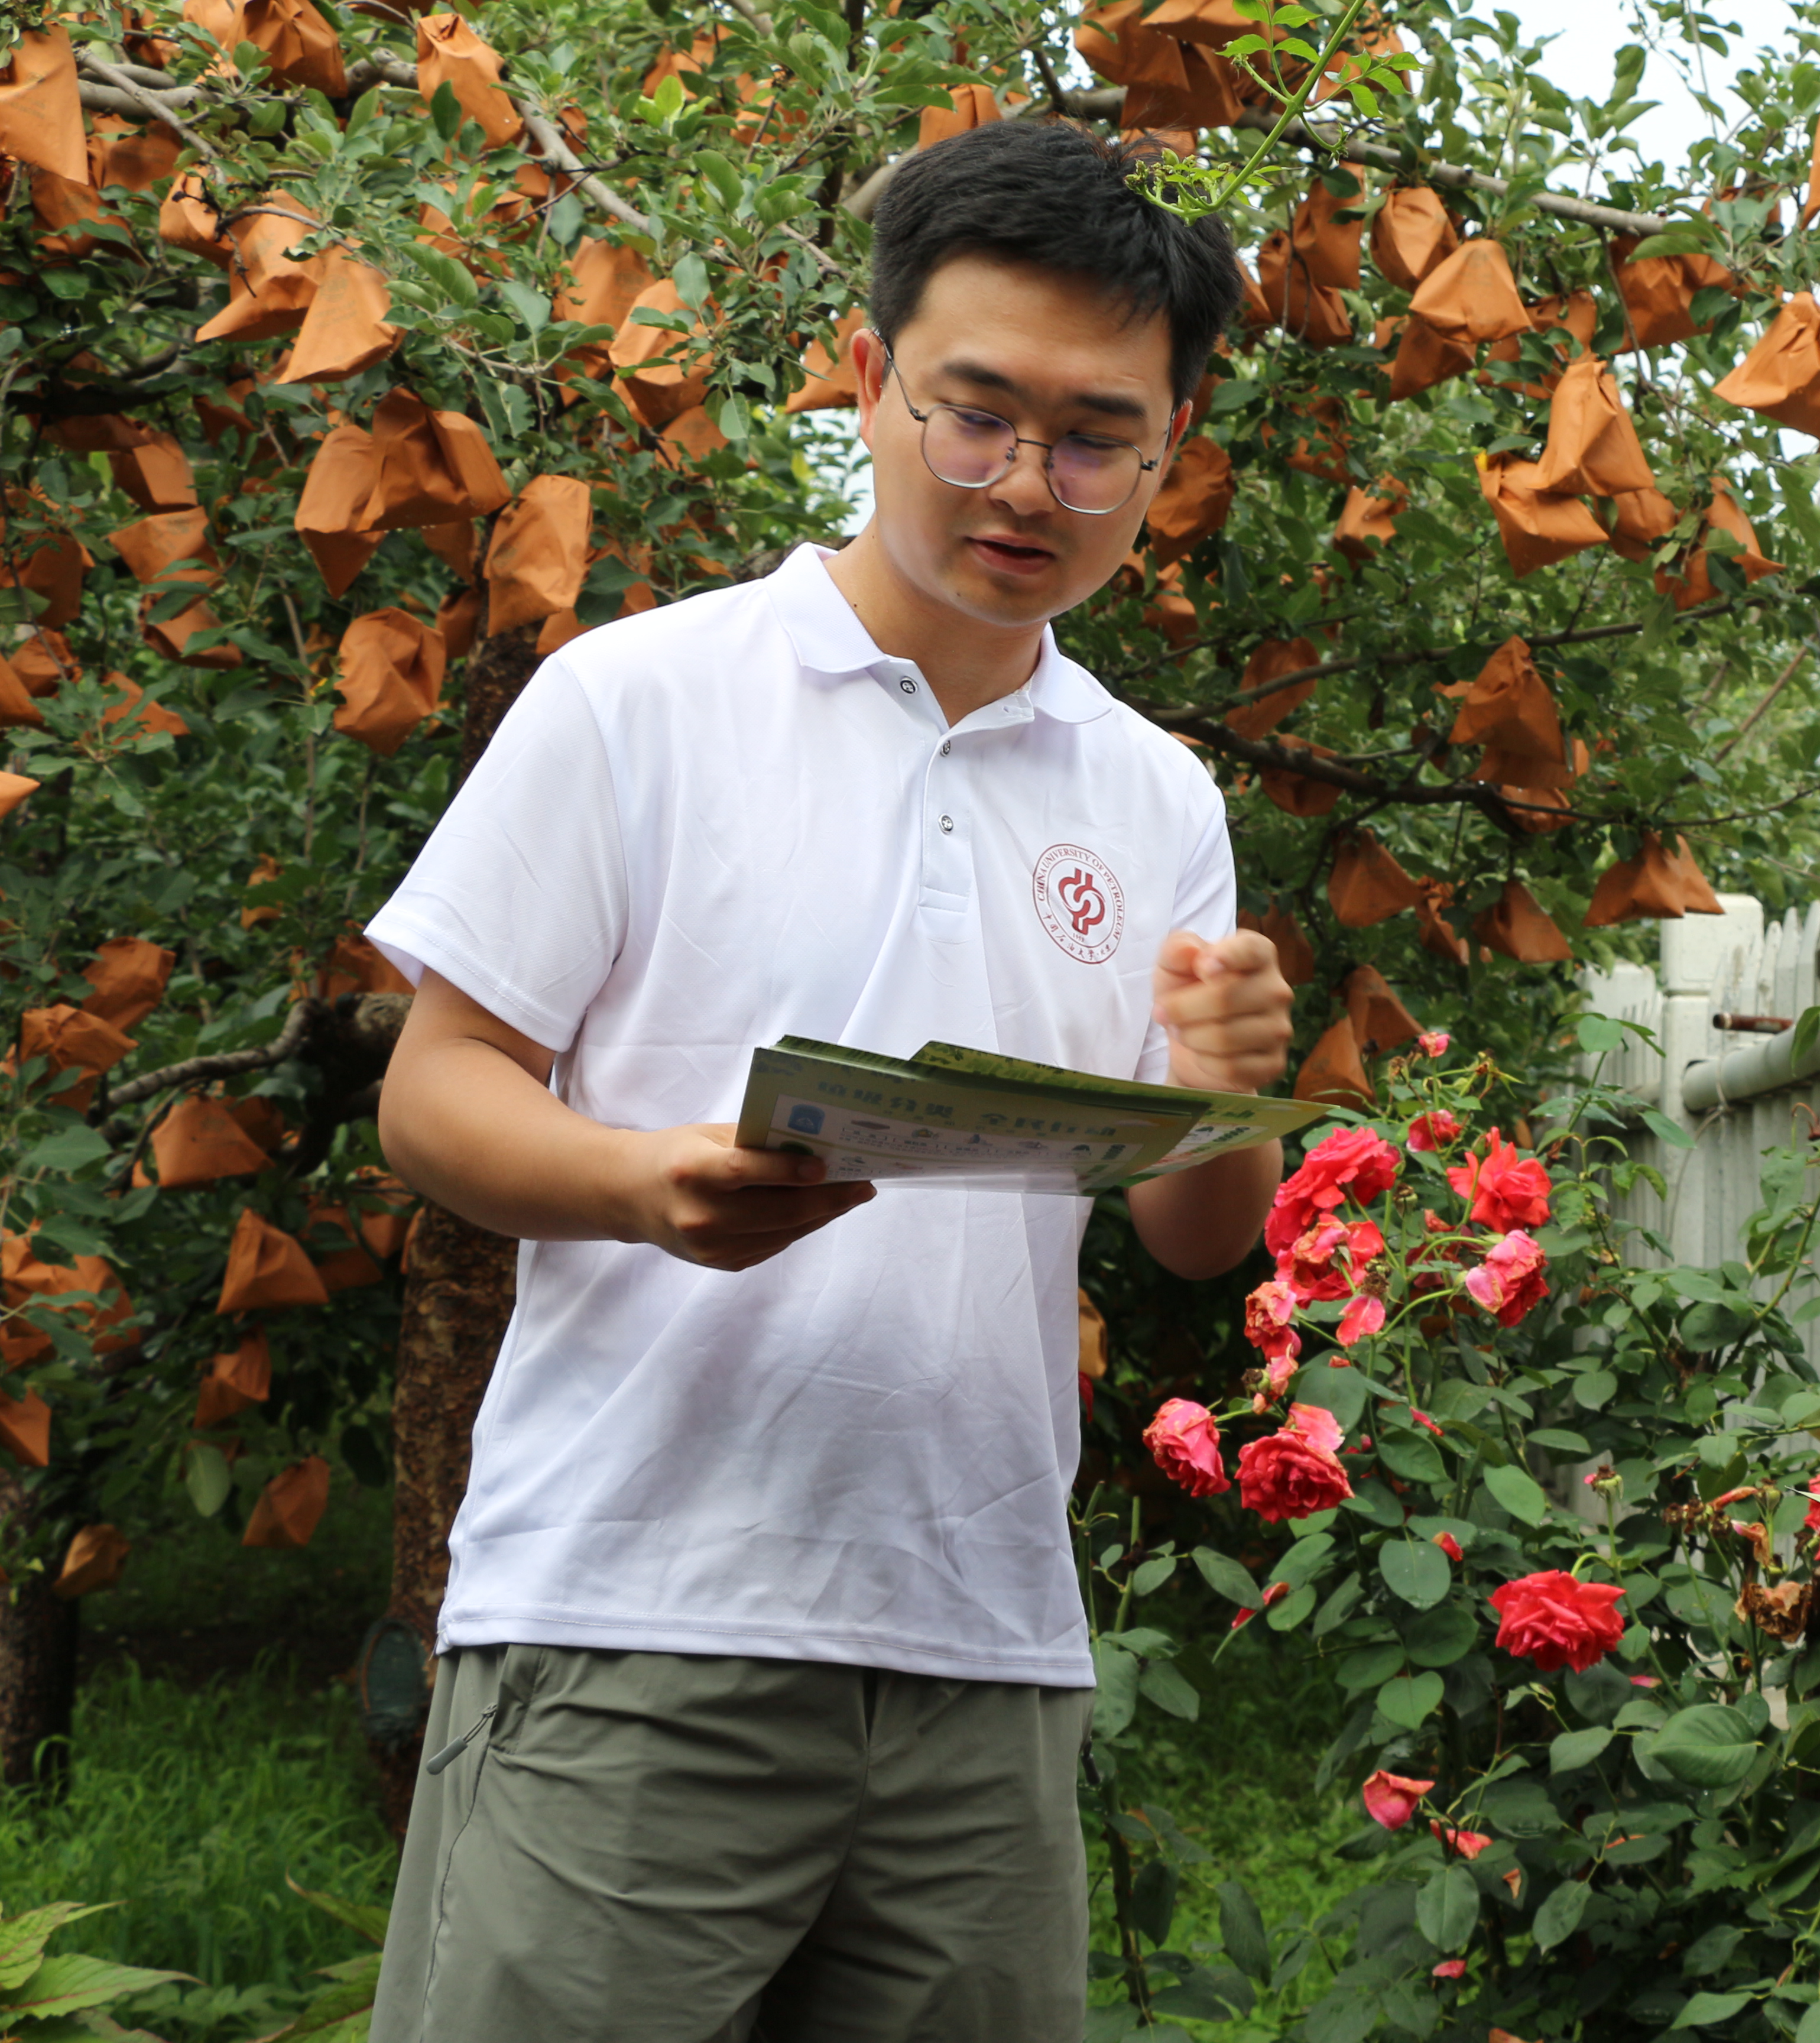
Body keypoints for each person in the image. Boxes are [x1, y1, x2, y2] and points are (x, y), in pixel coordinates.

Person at [366, 121, 1287, 2042]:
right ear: (868, 383)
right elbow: (437, 1093)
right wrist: (642, 1186)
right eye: (977, 414)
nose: (1031, 484)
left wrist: (1226, 1096)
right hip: (634, 1613)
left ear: (1172, 451)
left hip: (982, 1644)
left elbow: (1200, 1242)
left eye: (1099, 435)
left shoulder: (1156, 793)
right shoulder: (644, 698)